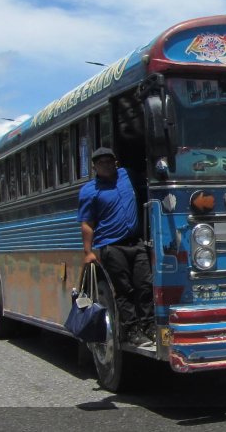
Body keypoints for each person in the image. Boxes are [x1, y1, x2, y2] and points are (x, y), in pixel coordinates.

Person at [77, 147, 155, 347]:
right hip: (111, 246)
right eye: (101, 162)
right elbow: (86, 223)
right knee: (124, 290)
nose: (106, 165)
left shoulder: (127, 175)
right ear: (94, 166)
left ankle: (149, 325)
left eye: (109, 161)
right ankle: (131, 330)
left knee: (145, 284)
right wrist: (88, 252)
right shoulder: (89, 191)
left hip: (136, 241)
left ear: (116, 163)